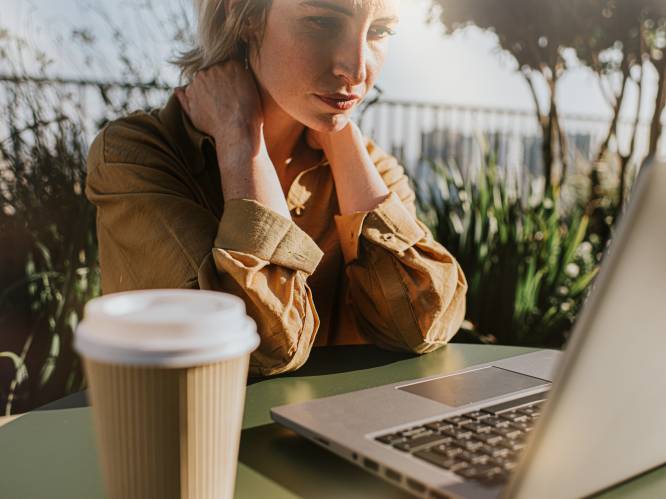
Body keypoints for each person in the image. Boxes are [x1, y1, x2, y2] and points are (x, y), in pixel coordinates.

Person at [85, 0, 467, 377]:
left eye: (380, 31)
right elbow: (266, 348)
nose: (356, 69)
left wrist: (342, 136)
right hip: (191, 433)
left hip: (341, 430)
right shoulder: (135, 157)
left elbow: (422, 325)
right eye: (322, 21)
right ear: (245, 15)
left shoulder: (370, 167)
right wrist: (240, 137)